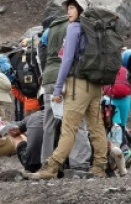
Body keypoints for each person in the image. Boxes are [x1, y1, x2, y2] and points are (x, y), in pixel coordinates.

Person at [26, 0, 109, 179]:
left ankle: (51, 167)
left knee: (69, 128)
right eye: (69, 7)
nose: (68, 11)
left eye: (72, 7)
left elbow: (67, 59)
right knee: (96, 127)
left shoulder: (74, 28)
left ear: (81, 10)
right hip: (96, 85)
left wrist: (57, 89)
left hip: (78, 84)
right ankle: (100, 167)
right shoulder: (96, 28)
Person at [37, 13, 91, 173]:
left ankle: (47, 162)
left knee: (49, 123)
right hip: (69, 77)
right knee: (77, 121)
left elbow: (42, 57)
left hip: (49, 77)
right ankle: (79, 163)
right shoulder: (75, 27)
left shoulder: (49, 30)